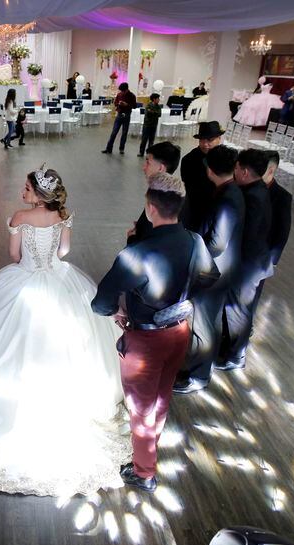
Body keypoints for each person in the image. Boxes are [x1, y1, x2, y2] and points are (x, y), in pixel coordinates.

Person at [0, 167, 132, 496]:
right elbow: (63, 252)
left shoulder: (20, 217)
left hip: (23, 276)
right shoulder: (61, 216)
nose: (22, 191)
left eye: (27, 187)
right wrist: (51, 253)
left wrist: (29, 257)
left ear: (38, 193)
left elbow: (14, 255)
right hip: (58, 277)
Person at [92, 173, 220, 492]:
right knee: (161, 397)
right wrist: (184, 297)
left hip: (145, 340)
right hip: (179, 332)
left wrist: (119, 311)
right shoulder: (195, 241)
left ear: (150, 208)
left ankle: (144, 472)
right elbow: (210, 276)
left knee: (140, 406)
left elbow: (101, 302)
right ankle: (146, 457)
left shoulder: (138, 253)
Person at [174, 146, 245, 394]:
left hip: (216, 271)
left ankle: (198, 375)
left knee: (203, 323)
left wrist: (194, 247)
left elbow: (218, 242)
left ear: (209, 169)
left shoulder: (226, 199)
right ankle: (202, 366)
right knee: (209, 322)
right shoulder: (230, 190)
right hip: (225, 268)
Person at [216, 149, 273, 371]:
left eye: (237, 168)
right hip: (253, 261)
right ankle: (229, 348)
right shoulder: (257, 189)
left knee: (238, 310)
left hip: (250, 265)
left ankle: (236, 356)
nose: (235, 172)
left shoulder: (252, 197)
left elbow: (247, 234)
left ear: (245, 171)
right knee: (237, 309)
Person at [127, 141, 182, 246]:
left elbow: (153, 241)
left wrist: (132, 239)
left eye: (148, 162)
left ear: (161, 168)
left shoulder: (160, 198)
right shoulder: (168, 192)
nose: (144, 167)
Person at [180, 121, 224, 232]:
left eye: (209, 140)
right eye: (202, 140)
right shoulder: (189, 160)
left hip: (221, 211)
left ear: (219, 138)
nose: (205, 144)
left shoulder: (226, 158)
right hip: (196, 211)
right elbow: (188, 188)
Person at [102, 82, 137, 155]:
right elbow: (115, 103)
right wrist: (119, 104)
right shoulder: (119, 94)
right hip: (119, 114)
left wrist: (127, 104)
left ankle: (121, 148)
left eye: (123, 91)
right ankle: (109, 148)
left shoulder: (132, 95)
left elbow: (134, 106)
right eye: (121, 91)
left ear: (127, 89)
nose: (122, 92)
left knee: (124, 133)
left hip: (127, 115)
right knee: (114, 132)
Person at [138, 93, 162, 158]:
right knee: (144, 139)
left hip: (154, 125)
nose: (159, 100)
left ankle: (149, 154)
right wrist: (154, 113)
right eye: (158, 98)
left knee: (151, 140)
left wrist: (152, 112)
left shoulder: (158, 106)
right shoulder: (148, 105)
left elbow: (159, 114)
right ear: (154, 99)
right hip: (147, 125)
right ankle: (141, 152)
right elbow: (148, 113)